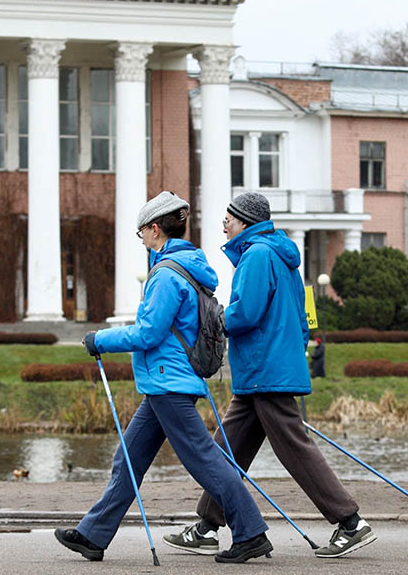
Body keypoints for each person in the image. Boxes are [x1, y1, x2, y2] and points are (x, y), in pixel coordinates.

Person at [54, 191, 273, 564]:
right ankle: (93, 535)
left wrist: (99, 340)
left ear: (155, 229)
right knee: (129, 459)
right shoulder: (185, 267)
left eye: (141, 232)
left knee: (205, 460)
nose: (141, 239)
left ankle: (250, 532)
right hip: (165, 383)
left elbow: (148, 333)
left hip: (168, 382)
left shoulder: (167, 275)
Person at [163, 191, 377, 559]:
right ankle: (207, 527)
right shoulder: (277, 253)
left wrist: (214, 319)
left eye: (228, 220)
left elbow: (246, 313)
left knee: (294, 449)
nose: (224, 226)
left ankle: (350, 522)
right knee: (226, 451)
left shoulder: (257, 254)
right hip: (263, 370)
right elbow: (298, 313)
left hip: (265, 370)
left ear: (245, 222)